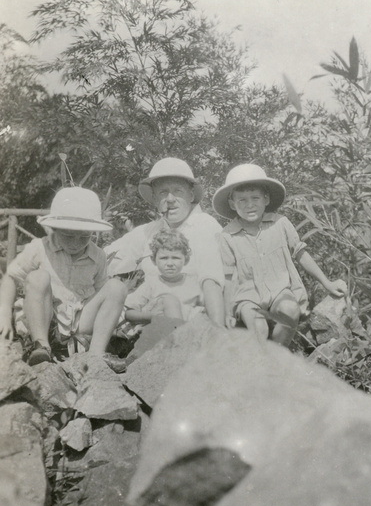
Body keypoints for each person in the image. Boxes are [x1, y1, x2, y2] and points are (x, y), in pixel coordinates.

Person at [212, 163, 346, 346]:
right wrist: (227, 312)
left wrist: (327, 283)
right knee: (259, 329)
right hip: (247, 297)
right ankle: (259, 364)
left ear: (266, 199)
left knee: (290, 310)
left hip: (279, 291)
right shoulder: (227, 236)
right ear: (232, 204)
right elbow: (227, 278)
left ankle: (276, 356)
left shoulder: (281, 223)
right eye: (242, 200)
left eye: (255, 198)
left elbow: (301, 255)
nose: (250, 204)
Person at [0, 187, 127, 368]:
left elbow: (101, 292)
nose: (76, 244)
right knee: (38, 277)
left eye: (84, 237)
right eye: (68, 236)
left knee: (116, 287)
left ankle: (95, 355)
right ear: (55, 229)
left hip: (79, 321)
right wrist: (4, 311)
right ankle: (41, 346)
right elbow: (11, 277)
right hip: (46, 320)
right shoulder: (40, 248)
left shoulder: (97, 255)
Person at [105, 157, 224, 325]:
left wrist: (216, 330)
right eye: (163, 193)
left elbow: (212, 283)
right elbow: (106, 259)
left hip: (194, 320)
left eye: (177, 191)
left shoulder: (205, 226)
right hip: (152, 320)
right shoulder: (149, 231)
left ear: (191, 195)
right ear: (154, 198)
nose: (170, 199)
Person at [120, 229, 203, 337]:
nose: (170, 263)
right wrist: (150, 316)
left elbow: (207, 305)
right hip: (157, 331)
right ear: (154, 260)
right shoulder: (151, 284)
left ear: (186, 260)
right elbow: (129, 313)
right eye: (164, 258)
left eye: (176, 258)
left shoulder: (193, 283)